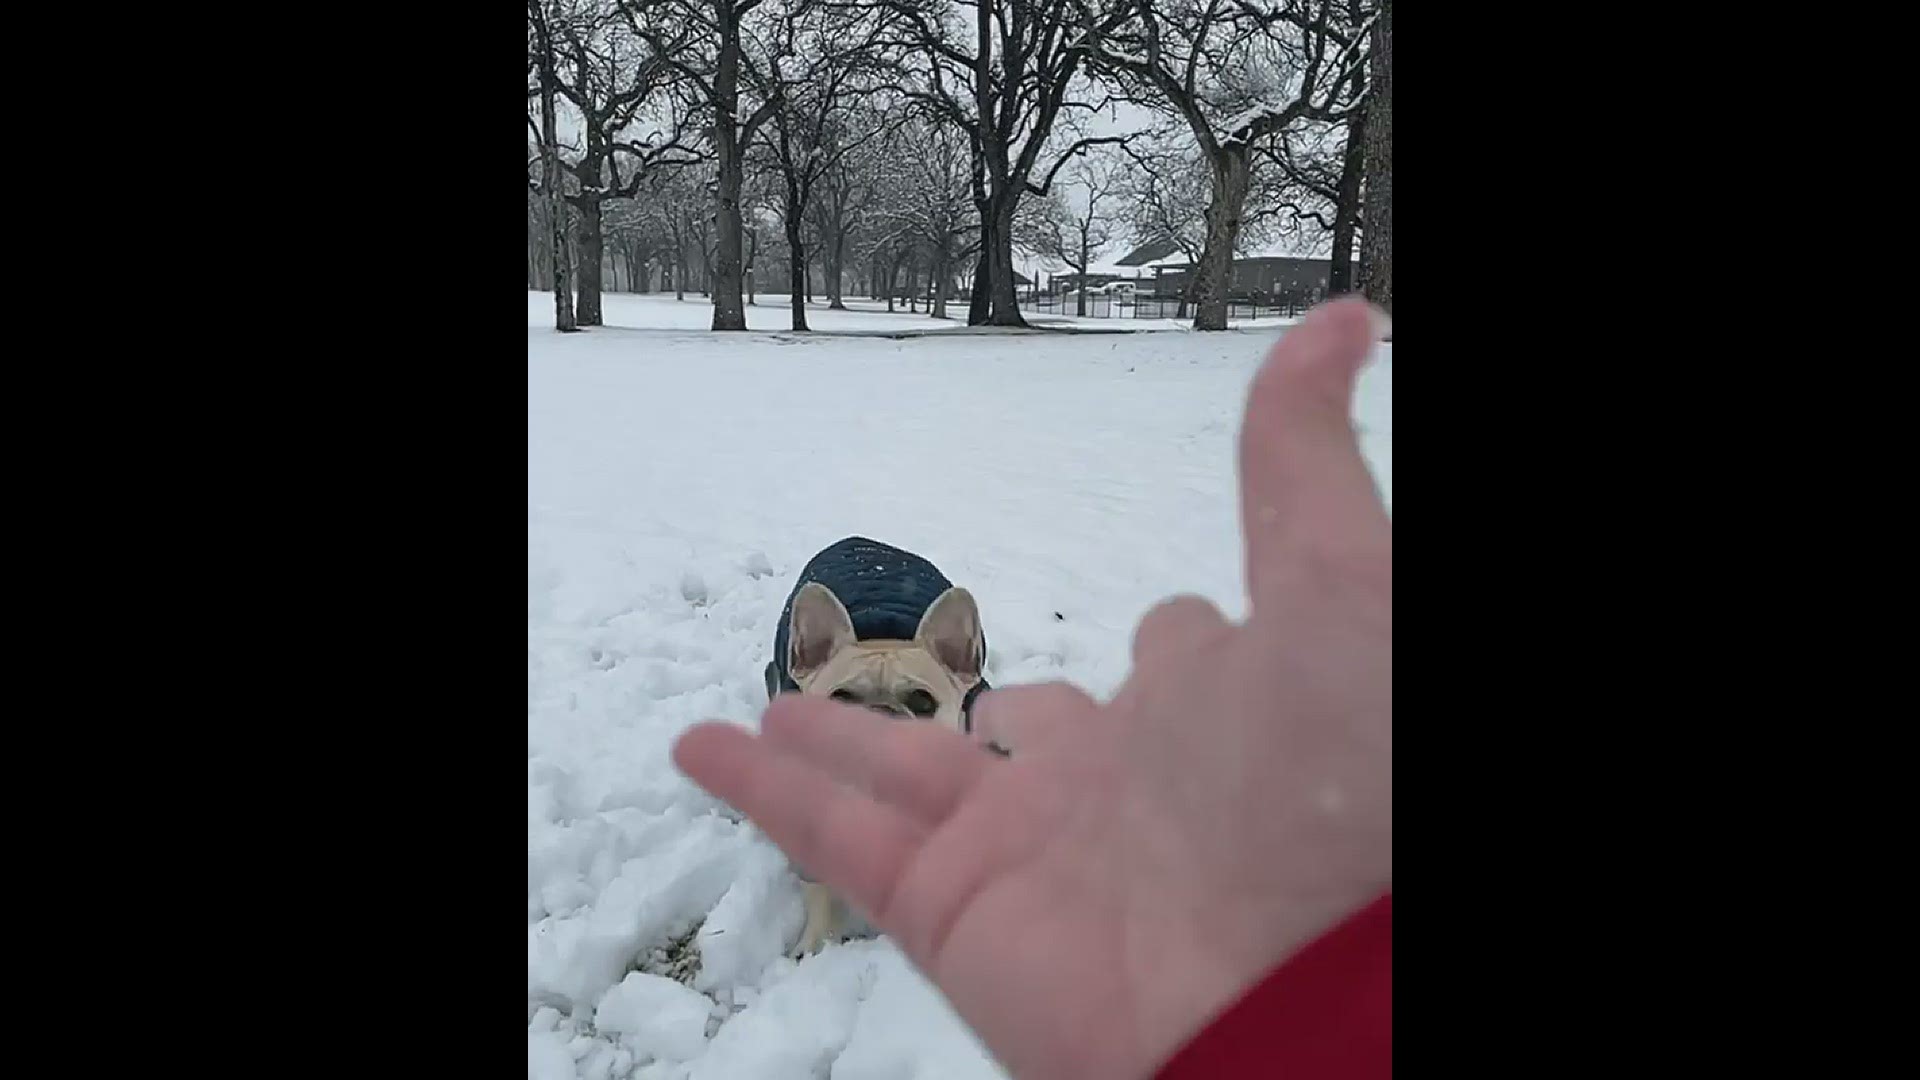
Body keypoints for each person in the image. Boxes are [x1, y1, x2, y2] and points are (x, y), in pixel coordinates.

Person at [674, 298, 1392, 1079]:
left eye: (917, 707)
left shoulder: (969, 696)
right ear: (806, 667)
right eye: (847, 705)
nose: (880, 727)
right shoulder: (805, 664)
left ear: (962, 669)